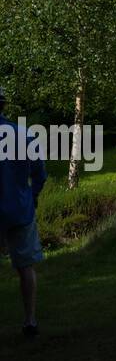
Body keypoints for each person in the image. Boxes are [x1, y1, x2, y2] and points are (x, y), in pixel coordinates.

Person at [0, 88, 45, 337]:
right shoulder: (23, 135)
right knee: (25, 267)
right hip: (19, 210)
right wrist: (32, 197)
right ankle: (30, 321)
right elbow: (39, 174)